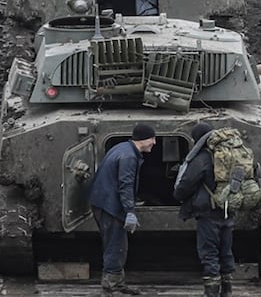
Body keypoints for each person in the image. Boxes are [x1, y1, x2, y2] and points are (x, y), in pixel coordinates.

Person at [88, 122, 157, 295]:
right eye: (152, 139)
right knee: (115, 245)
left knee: (116, 244)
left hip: (104, 202)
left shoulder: (122, 148)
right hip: (110, 206)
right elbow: (125, 185)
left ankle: (115, 282)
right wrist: (130, 212)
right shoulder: (129, 157)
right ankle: (112, 284)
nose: (154, 143)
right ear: (143, 139)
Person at [174, 122, 236, 297]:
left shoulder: (202, 158)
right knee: (226, 250)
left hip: (208, 211)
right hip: (228, 208)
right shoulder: (229, 153)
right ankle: (227, 290)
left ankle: (211, 292)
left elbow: (187, 184)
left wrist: (178, 195)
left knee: (209, 252)